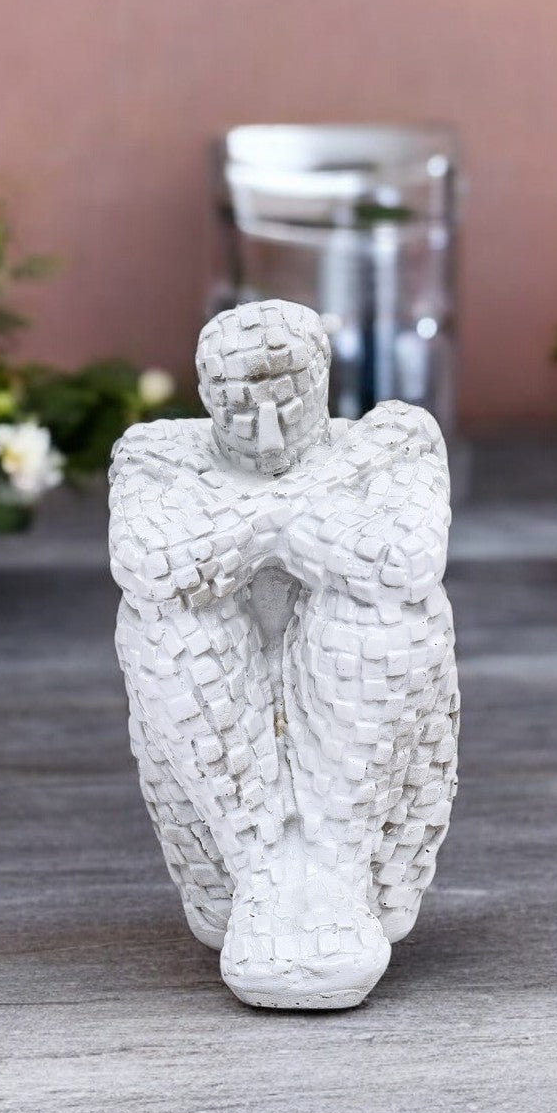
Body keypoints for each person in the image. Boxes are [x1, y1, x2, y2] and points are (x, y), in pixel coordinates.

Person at [109, 299, 458, 1009]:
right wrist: (299, 515)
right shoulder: (157, 453)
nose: (266, 434)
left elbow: (407, 559)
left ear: (324, 382)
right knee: (173, 625)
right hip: (226, 749)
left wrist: (237, 525)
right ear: (206, 399)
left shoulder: (394, 440)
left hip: (358, 742)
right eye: (237, 411)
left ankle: (334, 867)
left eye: (288, 403)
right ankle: (262, 867)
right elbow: (148, 563)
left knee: (382, 614)